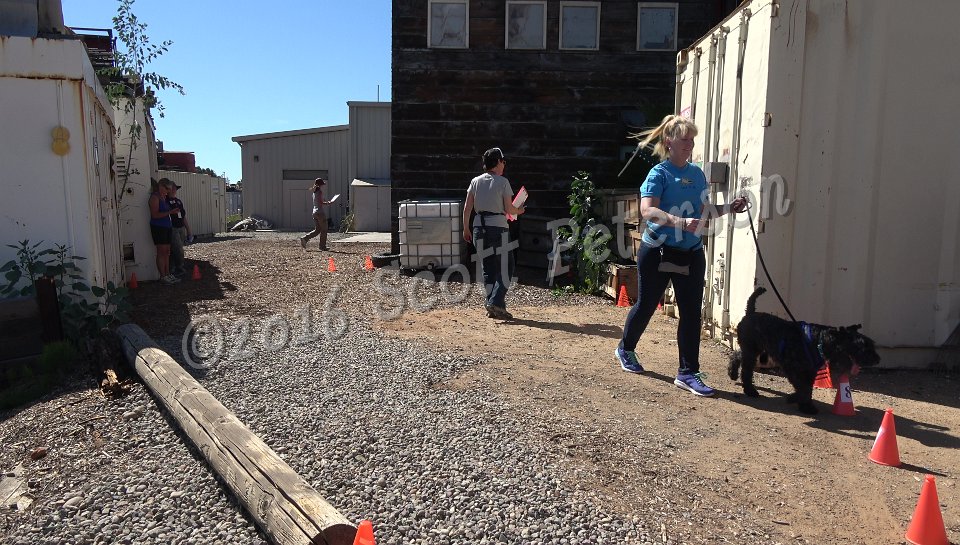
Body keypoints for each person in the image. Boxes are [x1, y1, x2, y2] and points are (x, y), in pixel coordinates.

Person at [614, 115, 748, 396]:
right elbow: (647, 210)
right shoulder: (659, 174)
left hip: (691, 252)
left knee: (691, 313)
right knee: (647, 305)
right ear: (669, 142)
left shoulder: (697, 174)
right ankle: (625, 348)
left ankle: (687, 373)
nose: (690, 144)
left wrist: (729, 207)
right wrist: (679, 221)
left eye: (692, 139)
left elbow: (704, 211)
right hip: (657, 251)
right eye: (685, 139)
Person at [462, 147, 526, 319]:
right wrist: (519, 210)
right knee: (507, 267)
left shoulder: (475, 181)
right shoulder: (503, 182)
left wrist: (466, 228)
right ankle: (496, 302)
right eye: (503, 161)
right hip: (498, 227)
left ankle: (494, 306)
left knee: (488, 269)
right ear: (497, 162)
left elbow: (467, 208)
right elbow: (509, 209)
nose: (504, 165)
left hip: (478, 228)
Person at [148, 178, 182, 284]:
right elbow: (155, 215)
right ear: (161, 186)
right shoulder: (154, 198)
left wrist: (172, 211)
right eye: (167, 189)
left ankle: (167, 274)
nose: (168, 191)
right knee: (161, 252)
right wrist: (170, 212)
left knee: (167, 252)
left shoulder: (163, 197)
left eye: (169, 190)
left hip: (167, 226)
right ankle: (163, 276)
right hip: (158, 227)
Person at [165, 181, 193, 277]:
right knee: (178, 249)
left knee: (177, 248)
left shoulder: (178, 201)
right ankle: (178, 268)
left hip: (181, 227)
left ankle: (174, 268)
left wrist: (188, 230)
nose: (174, 190)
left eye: (175, 188)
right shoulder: (165, 201)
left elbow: (183, 216)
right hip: (172, 228)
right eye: (172, 188)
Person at [299, 178, 331, 251]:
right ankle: (322, 246)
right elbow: (321, 202)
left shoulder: (314, 192)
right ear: (320, 185)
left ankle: (305, 238)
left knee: (317, 230)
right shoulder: (319, 192)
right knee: (324, 229)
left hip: (314, 212)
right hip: (320, 213)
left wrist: (324, 202)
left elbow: (318, 201)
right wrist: (328, 203)